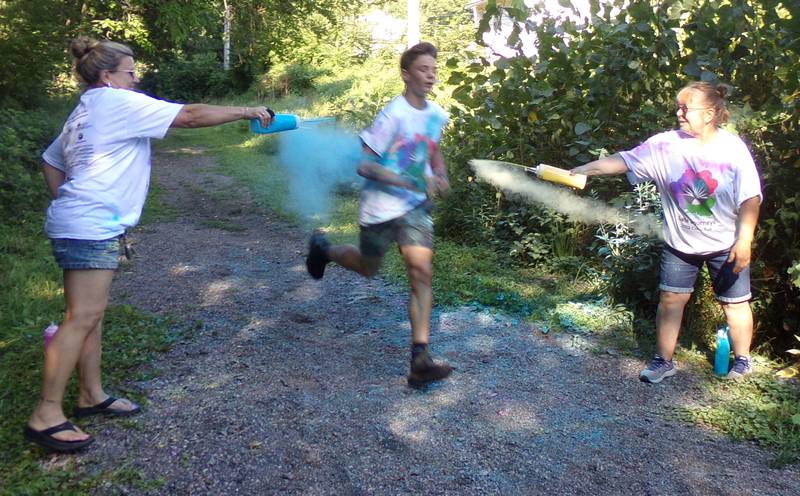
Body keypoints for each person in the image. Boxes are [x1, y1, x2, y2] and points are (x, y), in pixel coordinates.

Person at [24, 36, 274, 453]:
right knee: (82, 316)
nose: (137, 79)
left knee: (90, 315)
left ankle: (91, 396)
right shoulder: (116, 101)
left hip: (85, 222)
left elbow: (50, 161)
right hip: (90, 224)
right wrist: (247, 110)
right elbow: (190, 116)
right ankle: (46, 414)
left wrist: (69, 201)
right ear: (108, 77)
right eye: (132, 72)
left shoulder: (84, 110)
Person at [571, 81, 762, 383]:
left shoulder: (733, 149)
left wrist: (745, 239)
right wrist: (583, 170)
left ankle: (742, 362)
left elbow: (750, 197)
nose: (679, 113)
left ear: (710, 113)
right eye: (678, 107)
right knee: (671, 300)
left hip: (727, 243)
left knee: (735, 303)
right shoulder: (664, 145)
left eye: (686, 108)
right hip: (680, 244)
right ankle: (664, 361)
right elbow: (623, 161)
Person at [305, 42, 453, 388]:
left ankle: (420, 359)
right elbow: (365, 165)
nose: (430, 75)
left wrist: (441, 176)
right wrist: (407, 179)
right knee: (367, 267)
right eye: (422, 69)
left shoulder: (435, 115)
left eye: (434, 69)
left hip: (414, 210)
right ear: (406, 74)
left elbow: (433, 149)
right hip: (380, 209)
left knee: (422, 275)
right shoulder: (392, 116)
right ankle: (323, 250)